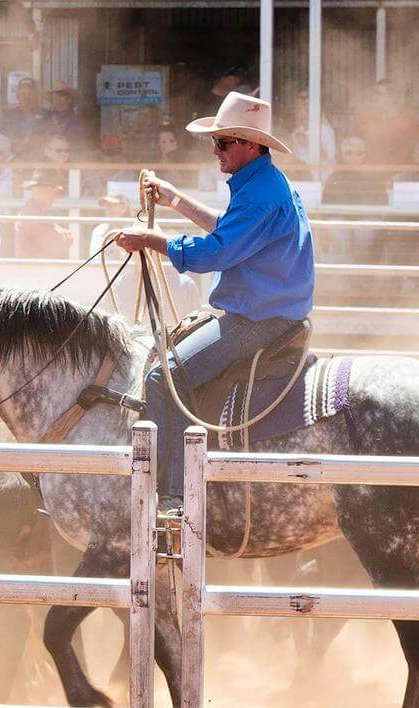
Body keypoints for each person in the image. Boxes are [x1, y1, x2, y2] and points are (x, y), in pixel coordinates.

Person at [113, 92, 315, 516]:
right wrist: (175, 200)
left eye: (223, 142)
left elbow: (217, 252)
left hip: (257, 318)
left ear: (250, 145)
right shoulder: (265, 185)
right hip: (270, 311)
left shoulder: (260, 193)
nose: (216, 150)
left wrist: (152, 240)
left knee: (162, 378)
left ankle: (172, 498)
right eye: (216, 142)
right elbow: (230, 229)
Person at [15, 168, 72, 260]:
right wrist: (64, 239)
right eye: (54, 190)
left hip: (39, 268)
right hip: (35, 270)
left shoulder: (38, 211)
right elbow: (56, 247)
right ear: (42, 190)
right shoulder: (32, 214)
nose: (56, 195)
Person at [0, 77, 46, 160]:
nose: (26, 97)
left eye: (30, 94)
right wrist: (14, 142)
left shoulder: (45, 114)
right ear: (18, 96)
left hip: (38, 158)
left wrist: (31, 141)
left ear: (35, 96)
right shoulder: (8, 115)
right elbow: (1, 137)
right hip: (12, 157)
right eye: (23, 94)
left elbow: (49, 136)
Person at [42, 82, 85, 154]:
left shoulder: (76, 121)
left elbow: (76, 144)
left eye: (62, 95)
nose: (57, 99)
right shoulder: (47, 117)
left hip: (69, 159)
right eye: (55, 96)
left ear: (69, 99)